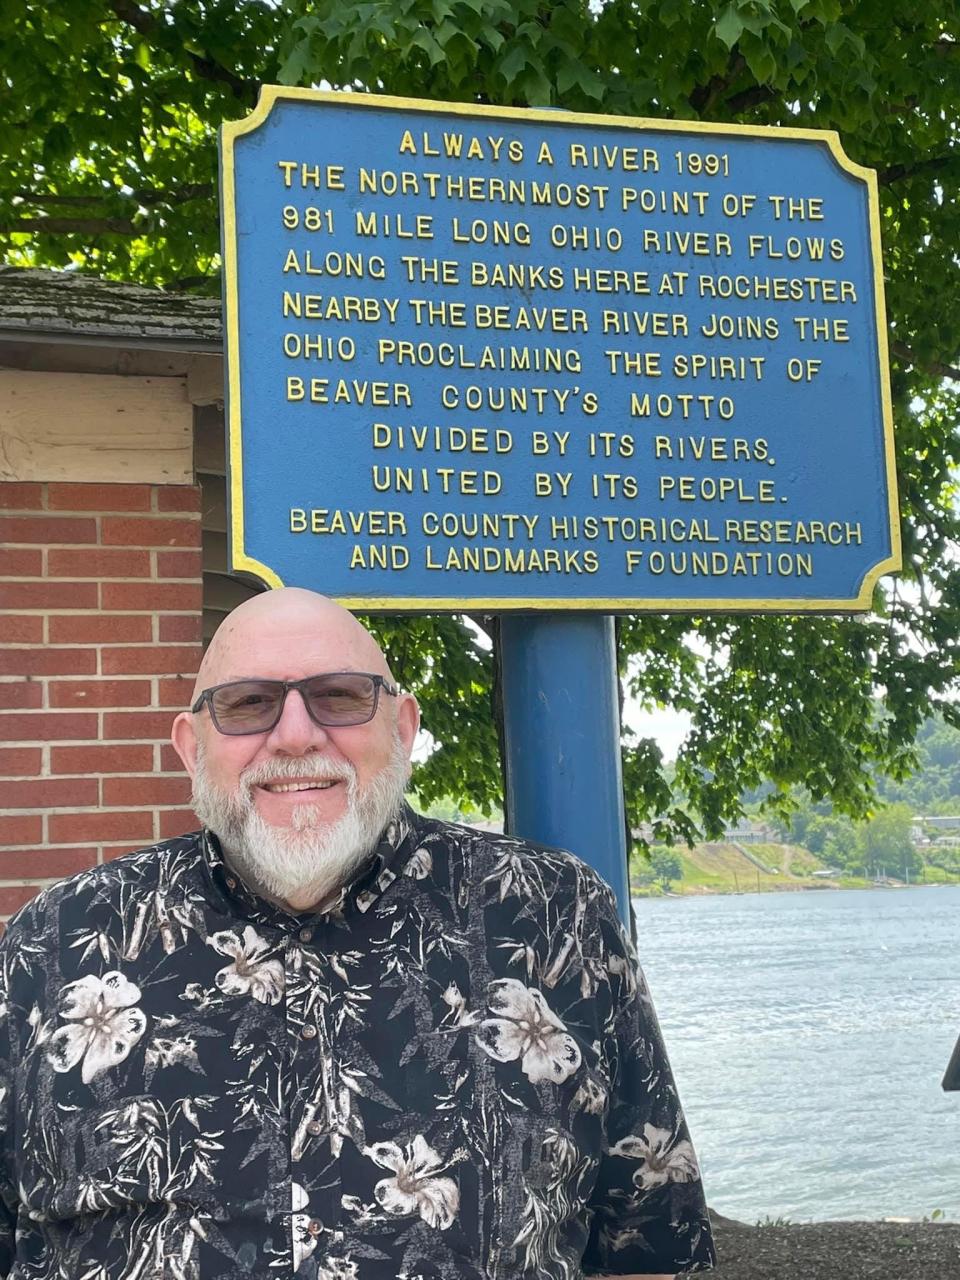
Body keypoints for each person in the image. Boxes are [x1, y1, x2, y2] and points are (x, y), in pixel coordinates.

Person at [0, 588, 715, 1279]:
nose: (296, 735)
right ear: (191, 747)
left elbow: (641, 1241)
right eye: (248, 704)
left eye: (339, 696)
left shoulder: (557, 916)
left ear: (401, 727)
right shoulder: (51, 942)